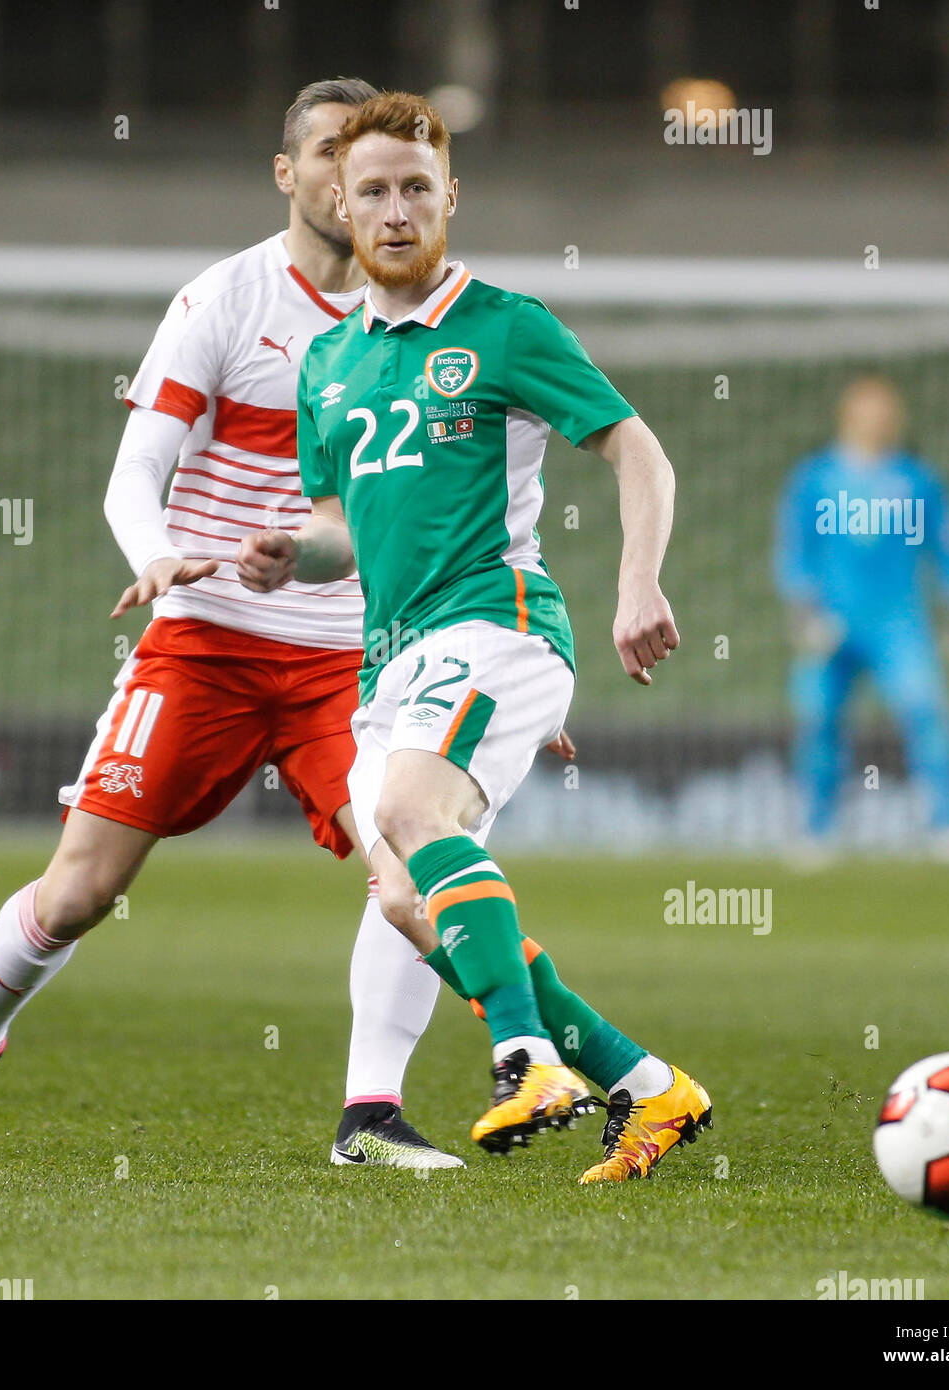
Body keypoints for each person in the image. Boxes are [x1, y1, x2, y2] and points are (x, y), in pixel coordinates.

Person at [0, 78, 469, 1169]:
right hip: (202, 634)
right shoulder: (223, 301)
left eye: (365, 153)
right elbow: (133, 472)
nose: (351, 175)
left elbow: (448, 511)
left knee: (411, 868)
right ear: (290, 174)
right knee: (80, 892)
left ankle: (369, 1117)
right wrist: (155, 555)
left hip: (352, 654)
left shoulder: (430, 317)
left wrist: (501, 658)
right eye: (328, 152)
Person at [239, 92, 711, 1182]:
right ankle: (647, 1087)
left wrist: (635, 582)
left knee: (409, 810)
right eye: (372, 191)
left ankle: (526, 1057)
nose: (394, 210)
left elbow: (638, 449)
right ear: (336, 204)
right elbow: (336, 530)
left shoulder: (505, 325)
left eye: (415, 187)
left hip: (496, 621)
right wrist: (285, 551)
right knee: (408, 901)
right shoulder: (326, 366)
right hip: (388, 661)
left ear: (451, 195)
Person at [774, 374, 949, 855]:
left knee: (925, 711)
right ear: (849, 416)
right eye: (870, 411)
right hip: (832, 623)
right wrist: (804, 611)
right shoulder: (815, 479)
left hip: (898, 623)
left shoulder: (917, 480)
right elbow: (795, 551)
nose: (880, 421)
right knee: (818, 717)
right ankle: (816, 831)